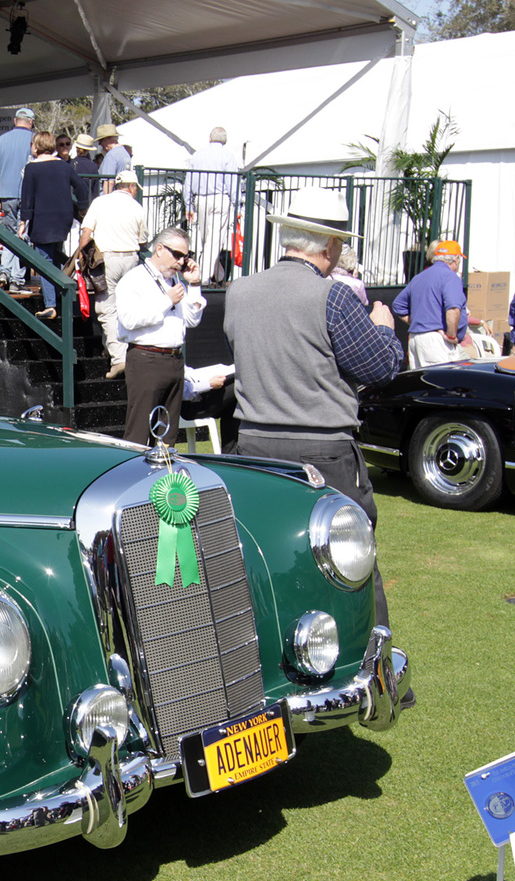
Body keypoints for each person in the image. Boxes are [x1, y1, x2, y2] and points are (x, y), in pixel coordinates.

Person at [222, 185, 401, 625]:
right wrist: (383, 329)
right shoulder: (332, 295)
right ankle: (371, 671)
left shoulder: (239, 290)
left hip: (256, 446)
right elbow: (380, 368)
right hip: (324, 450)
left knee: (268, 559)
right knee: (351, 562)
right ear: (332, 245)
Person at [115, 227, 206, 444]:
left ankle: (163, 476)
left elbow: (192, 320)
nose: (181, 262)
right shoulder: (135, 279)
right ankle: (134, 476)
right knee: (139, 431)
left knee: (167, 433)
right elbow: (128, 320)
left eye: (186, 256)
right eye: (177, 255)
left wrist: (194, 285)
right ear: (159, 249)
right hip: (147, 358)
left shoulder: (175, 282)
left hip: (174, 359)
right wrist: (167, 301)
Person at [77, 169, 150, 378]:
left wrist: (81, 257)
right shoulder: (137, 208)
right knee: (124, 307)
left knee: (107, 308)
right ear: (132, 187)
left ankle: (118, 359)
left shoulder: (100, 202)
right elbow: (142, 240)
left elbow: (86, 232)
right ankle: (117, 352)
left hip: (105, 259)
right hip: (130, 258)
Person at [17, 131, 88, 319]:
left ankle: (50, 305)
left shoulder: (32, 168)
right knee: (55, 255)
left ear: (36, 146)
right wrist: (82, 208)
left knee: (44, 261)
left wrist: (23, 222)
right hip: (63, 219)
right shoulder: (64, 166)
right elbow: (81, 187)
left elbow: (27, 198)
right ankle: (57, 294)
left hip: (42, 220)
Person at [393, 239, 468, 367]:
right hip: (437, 342)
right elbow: (453, 309)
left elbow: (398, 305)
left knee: (420, 385)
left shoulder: (419, 277)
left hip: (415, 339)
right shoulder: (450, 277)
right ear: (456, 259)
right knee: (443, 384)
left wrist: (420, 323)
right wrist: (450, 336)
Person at [0, 107, 36, 292]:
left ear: (15, 121)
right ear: (31, 122)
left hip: (6, 195)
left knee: (9, 236)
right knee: (22, 236)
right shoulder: (34, 141)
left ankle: (4, 272)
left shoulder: (1, 140)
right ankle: (16, 278)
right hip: (28, 194)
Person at [184, 127, 239, 284]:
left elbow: (189, 181)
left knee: (204, 237)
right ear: (225, 140)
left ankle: (217, 273)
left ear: (210, 138)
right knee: (215, 239)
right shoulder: (228, 156)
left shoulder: (197, 156)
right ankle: (205, 277)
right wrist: (237, 206)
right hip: (221, 199)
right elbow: (232, 183)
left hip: (200, 199)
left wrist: (188, 204)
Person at [68, 132, 99, 218]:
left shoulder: (70, 164)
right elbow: (95, 189)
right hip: (88, 203)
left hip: (72, 203)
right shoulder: (93, 166)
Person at [94, 124, 130, 190]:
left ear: (108, 138)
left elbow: (109, 182)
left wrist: (107, 199)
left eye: (101, 140)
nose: (100, 144)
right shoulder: (125, 153)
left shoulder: (111, 155)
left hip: (111, 196)